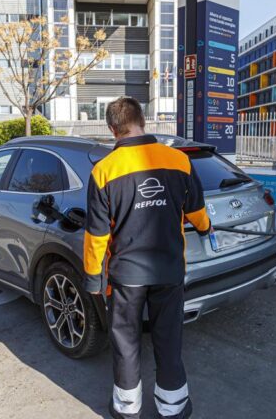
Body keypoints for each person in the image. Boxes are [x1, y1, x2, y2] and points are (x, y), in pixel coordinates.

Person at [83, 97, 211, 419]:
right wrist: (206, 228)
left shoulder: (103, 171)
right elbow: (197, 213)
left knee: (125, 343)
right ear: (143, 120)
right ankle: (173, 407)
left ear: (113, 129)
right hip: (168, 271)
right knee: (169, 339)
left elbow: (96, 236)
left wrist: (93, 278)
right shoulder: (178, 160)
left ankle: (127, 409)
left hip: (125, 276)